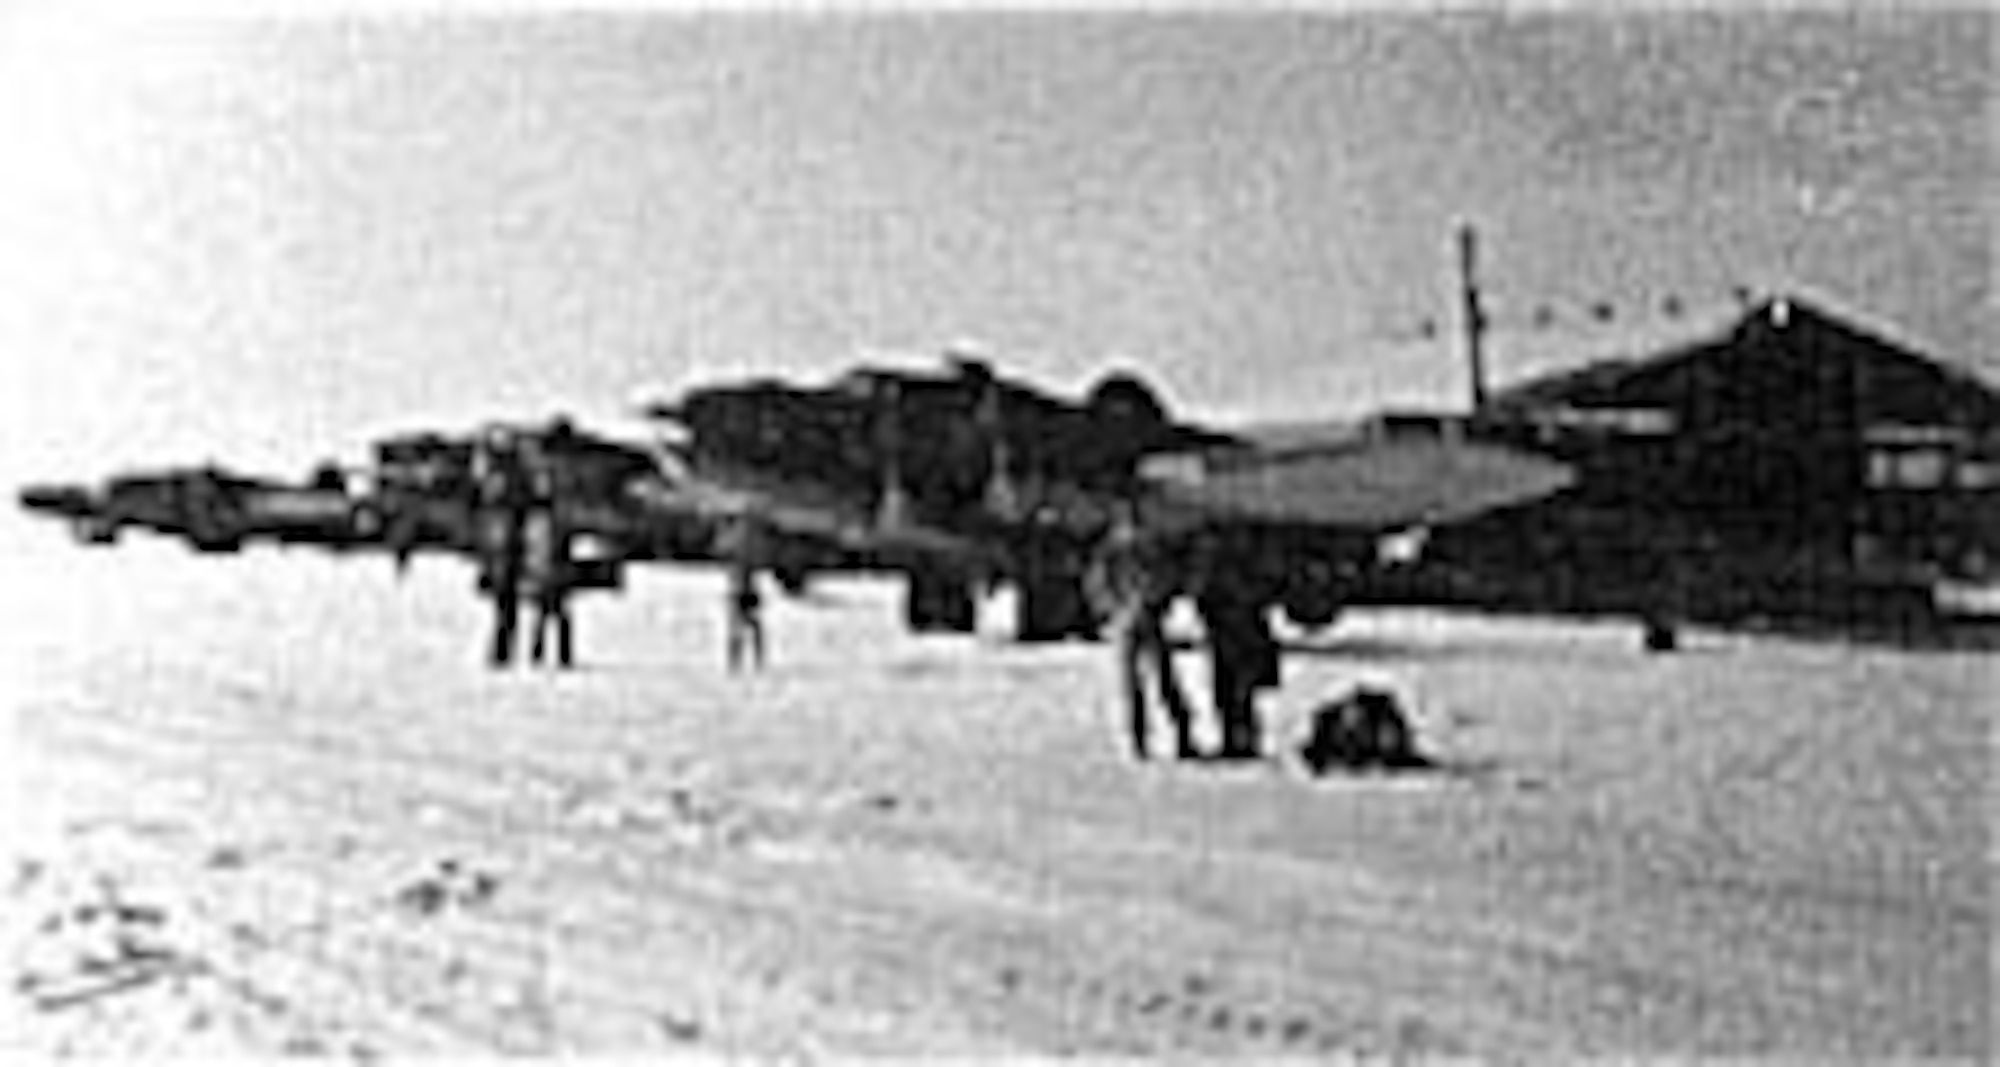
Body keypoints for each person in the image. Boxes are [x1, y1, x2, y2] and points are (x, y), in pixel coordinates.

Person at [1085, 502, 1199, 761]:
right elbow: (1165, 577)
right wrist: (1157, 600)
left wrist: (1109, 608)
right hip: (1144, 614)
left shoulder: (1114, 546)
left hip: (1129, 617)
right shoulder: (1144, 544)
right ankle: (1180, 735)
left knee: (1137, 684)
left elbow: (1098, 580)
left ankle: (1141, 740)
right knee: (1163, 680)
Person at [1191, 540, 1282, 762]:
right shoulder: (1239, 574)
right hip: (1230, 638)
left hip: (1235, 640)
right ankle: (1239, 740)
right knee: (1233, 693)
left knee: (1235, 693)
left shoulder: (1232, 577)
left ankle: (1241, 741)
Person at [471, 428, 532, 668]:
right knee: (508, 607)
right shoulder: (515, 478)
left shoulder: (502, 481)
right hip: (508, 548)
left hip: (506, 549)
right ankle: (506, 651)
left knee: (506, 606)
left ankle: (502, 652)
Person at [520, 441, 576, 669]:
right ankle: (548, 655)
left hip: (548, 568)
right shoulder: (542, 519)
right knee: (551, 615)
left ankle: (546, 654)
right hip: (546, 568)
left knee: (551, 615)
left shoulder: (540, 519)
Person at [716, 514, 768, 671]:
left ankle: (742, 661)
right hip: (742, 590)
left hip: (742, 590)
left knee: (745, 627)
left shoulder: (734, 543)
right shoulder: (739, 544)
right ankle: (743, 661)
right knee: (748, 627)